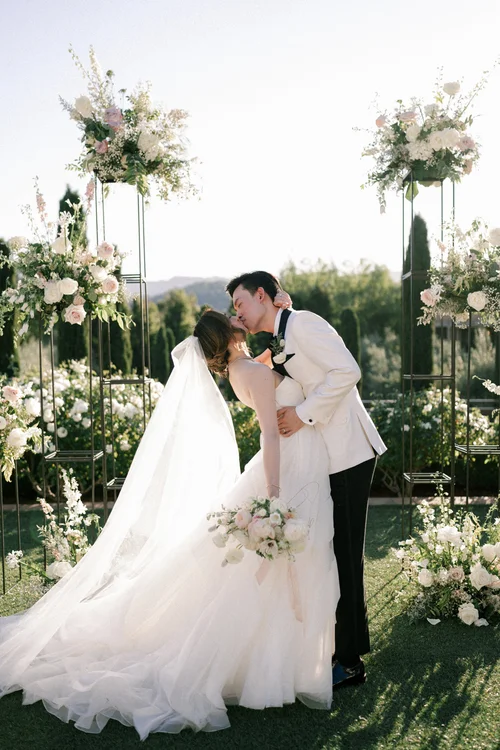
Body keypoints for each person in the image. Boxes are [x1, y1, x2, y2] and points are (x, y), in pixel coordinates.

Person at [0, 310, 338, 738]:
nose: (238, 316)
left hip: (295, 460)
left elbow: (270, 371)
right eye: (231, 316)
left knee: (267, 565)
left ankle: (282, 662)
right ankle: (274, 665)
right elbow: (270, 434)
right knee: (268, 566)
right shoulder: (251, 371)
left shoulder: (243, 371)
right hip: (286, 467)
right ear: (228, 336)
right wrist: (272, 494)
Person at [227, 271, 387, 689]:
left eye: (240, 303)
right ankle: (334, 649)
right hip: (324, 458)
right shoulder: (280, 334)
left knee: (346, 556)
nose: (238, 313)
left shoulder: (303, 323)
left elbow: (347, 371)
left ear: (261, 296)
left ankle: (349, 662)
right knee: (330, 553)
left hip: (348, 451)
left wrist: (302, 414)